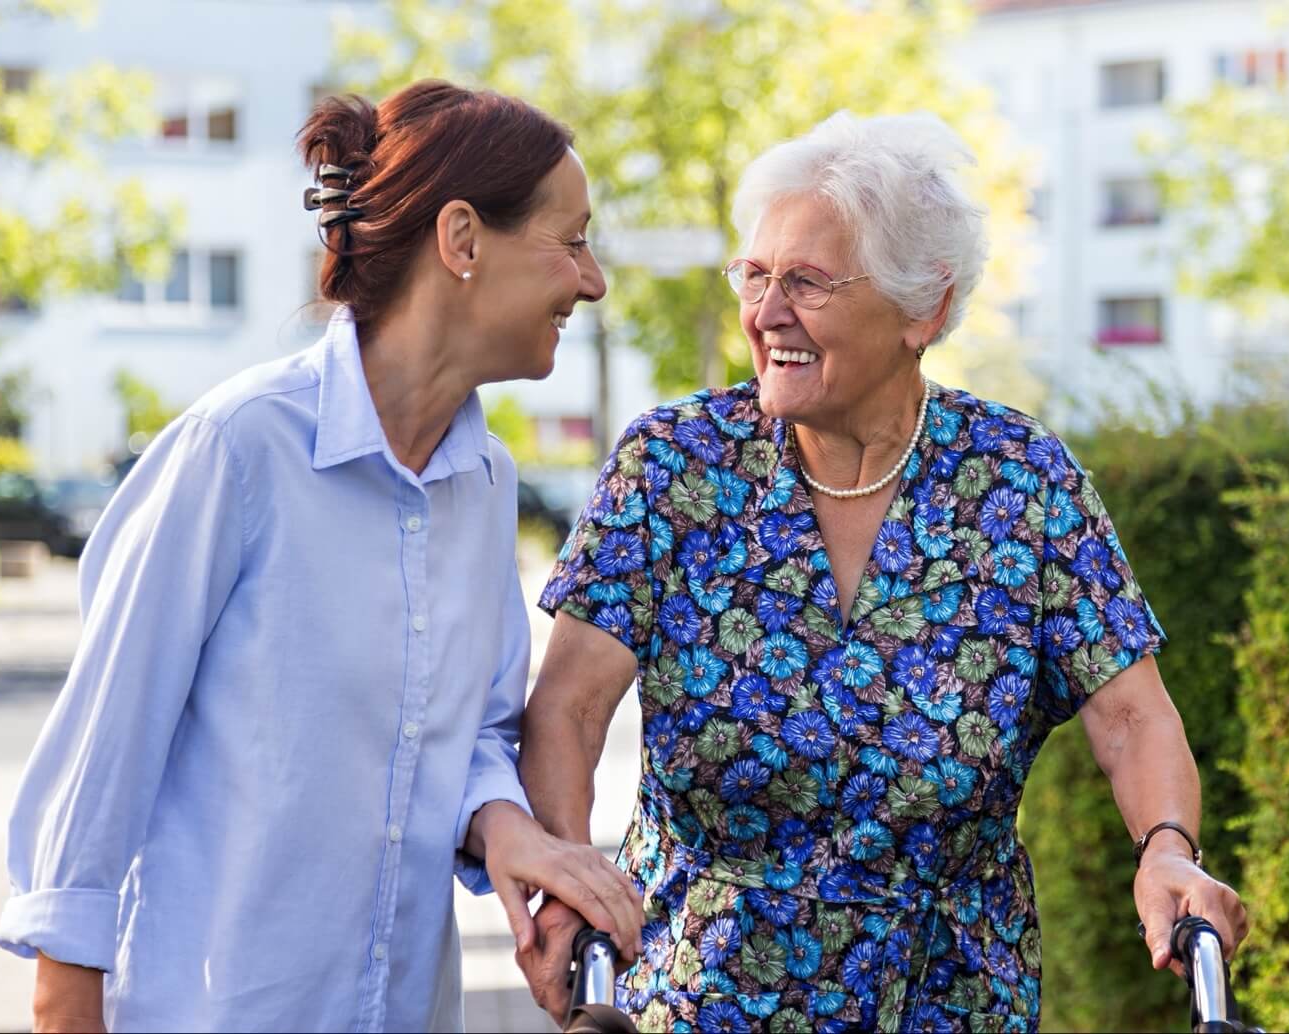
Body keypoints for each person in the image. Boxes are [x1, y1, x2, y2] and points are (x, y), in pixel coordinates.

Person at [515, 111, 1248, 1032]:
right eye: (757, 275)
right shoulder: (674, 467)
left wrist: (1168, 850)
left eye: (808, 284)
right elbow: (570, 709)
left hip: (951, 999)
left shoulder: (1020, 481)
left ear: (924, 309)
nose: (766, 312)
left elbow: (1134, 715)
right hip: (702, 998)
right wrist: (566, 873)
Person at [0, 80, 643, 1033]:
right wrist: (66, 1008)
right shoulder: (237, 452)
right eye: (572, 239)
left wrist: (508, 829)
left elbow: (464, 734)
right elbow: (103, 759)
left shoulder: (486, 482)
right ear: (462, 241)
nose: (592, 281)